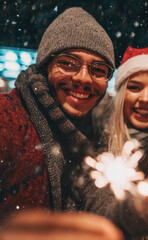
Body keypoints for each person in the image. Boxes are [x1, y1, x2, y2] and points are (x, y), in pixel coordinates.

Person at [0, 7, 124, 240]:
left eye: (98, 70)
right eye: (68, 63)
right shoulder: (8, 117)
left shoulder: (92, 137)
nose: (83, 78)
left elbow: (99, 198)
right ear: (46, 66)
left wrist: (136, 213)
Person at [81, 44, 148, 239]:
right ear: (121, 95)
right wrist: (130, 213)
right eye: (134, 88)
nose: (145, 98)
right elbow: (98, 207)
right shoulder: (97, 149)